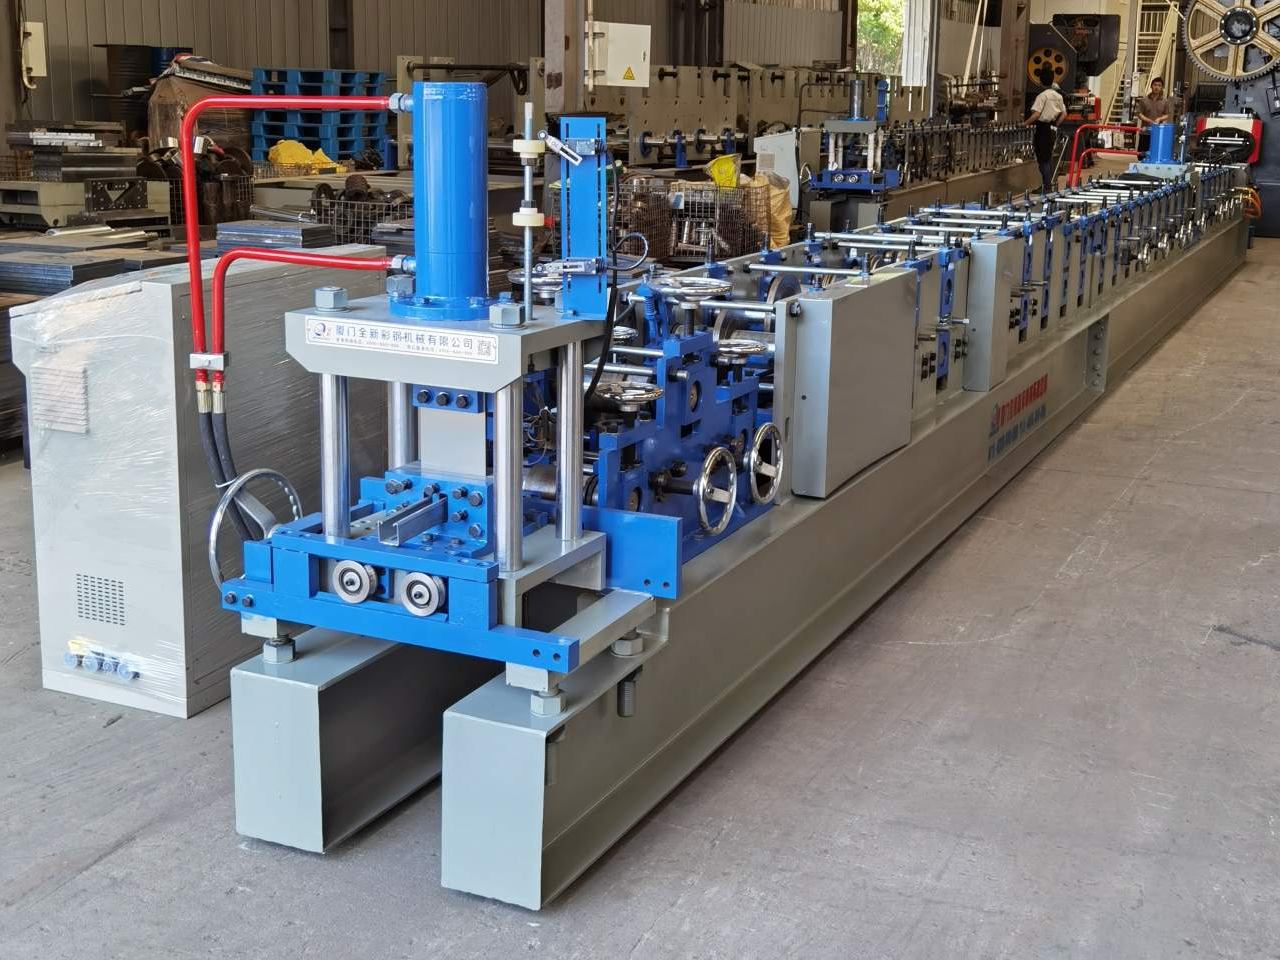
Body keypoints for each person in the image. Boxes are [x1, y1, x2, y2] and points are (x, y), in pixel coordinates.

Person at [1024, 65, 1066, 194]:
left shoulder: (1042, 96)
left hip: (1043, 128)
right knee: (1048, 156)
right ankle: (1048, 184)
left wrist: (1024, 124)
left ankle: (1046, 187)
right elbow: (1064, 114)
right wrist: (1055, 124)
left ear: (1041, 81)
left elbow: (1036, 114)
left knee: (1043, 159)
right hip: (1052, 128)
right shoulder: (1058, 96)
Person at [1136, 76, 1176, 154]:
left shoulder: (1164, 101)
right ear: (1151, 86)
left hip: (1158, 133)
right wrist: (1149, 120)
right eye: (1155, 85)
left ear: (1162, 88)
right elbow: (1139, 113)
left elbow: (1167, 115)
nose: (1157, 87)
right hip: (1146, 132)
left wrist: (1160, 119)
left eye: (1159, 85)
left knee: (1156, 154)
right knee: (1142, 155)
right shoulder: (1144, 100)